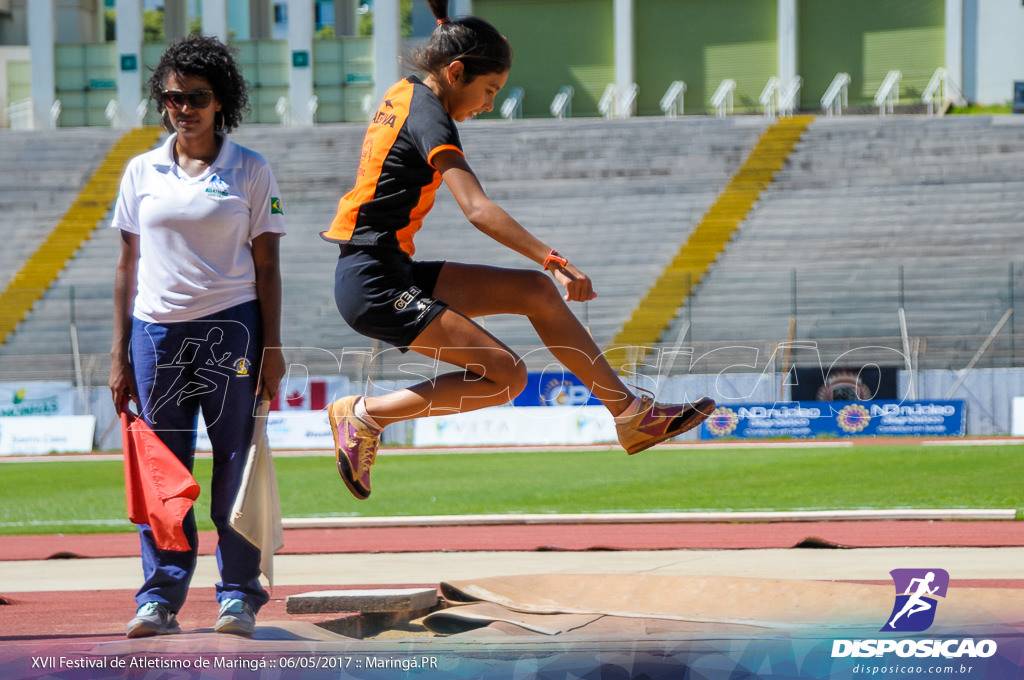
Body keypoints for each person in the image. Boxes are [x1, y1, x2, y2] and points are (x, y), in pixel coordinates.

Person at [322, 0, 715, 501]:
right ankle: (363, 416)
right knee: (507, 377)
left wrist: (450, 27)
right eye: (489, 90)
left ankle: (631, 417)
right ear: (456, 71)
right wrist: (555, 259)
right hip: (373, 284)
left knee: (534, 292)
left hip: (385, 269)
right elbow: (478, 209)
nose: (488, 104)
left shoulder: (408, 93)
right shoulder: (430, 117)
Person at [109, 34, 286, 638]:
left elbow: (268, 268)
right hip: (154, 334)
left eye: (197, 97)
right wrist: (118, 353)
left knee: (234, 465)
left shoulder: (250, 169)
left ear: (221, 102)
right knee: (165, 472)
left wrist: (274, 349)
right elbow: (126, 267)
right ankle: (158, 599)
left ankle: (238, 595)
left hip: (231, 329)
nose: (183, 108)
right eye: (173, 97)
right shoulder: (141, 170)